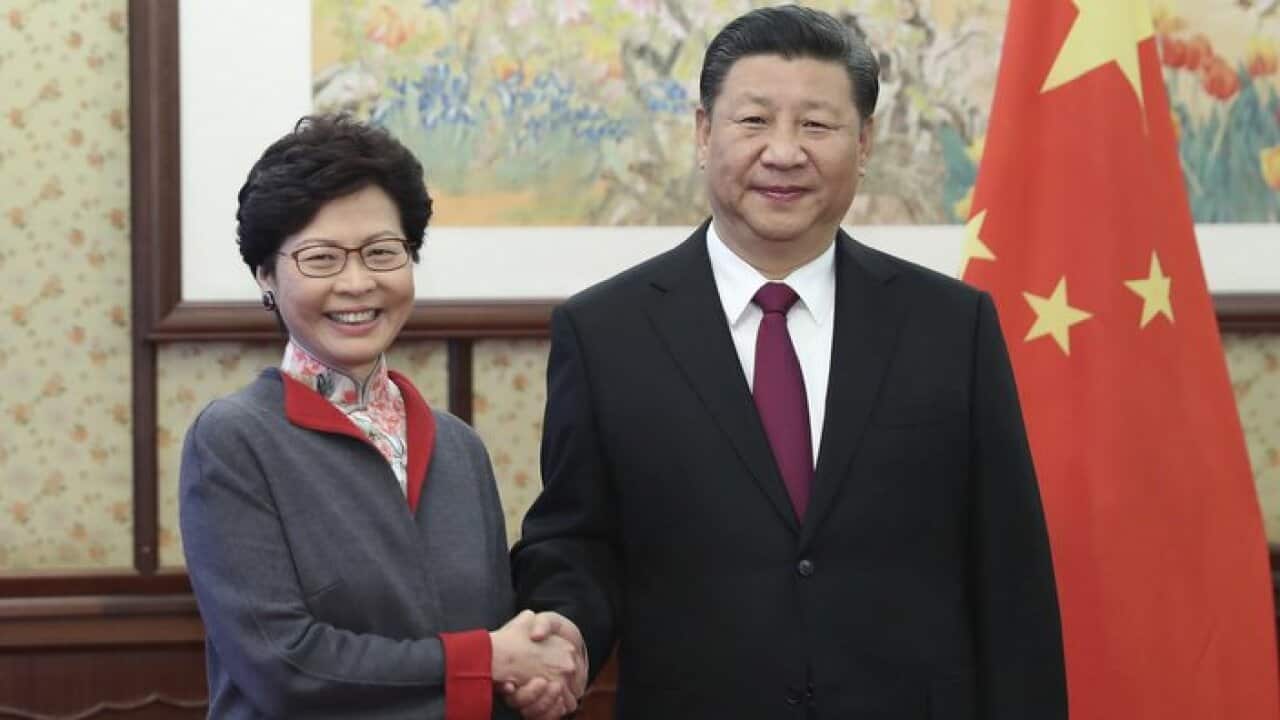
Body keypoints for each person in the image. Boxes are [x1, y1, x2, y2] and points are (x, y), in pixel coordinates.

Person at [507, 6, 1067, 719]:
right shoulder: (604, 331)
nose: (783, 152)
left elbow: (1009, 573)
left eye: (816, 125)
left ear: (863, 143)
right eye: (754, 121)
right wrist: (566, 634)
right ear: (704, 133)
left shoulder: (952, 327)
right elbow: (576, 540)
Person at [180, 115, 585, 719]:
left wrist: (535, 671)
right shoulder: (233, 440)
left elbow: (495, 648)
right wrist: (490, 661)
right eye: (321, 258)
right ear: (266, 275)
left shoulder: (458, 447)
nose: (357, 282)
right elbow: (285, 666)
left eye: (381, 252)